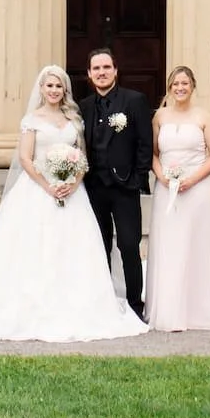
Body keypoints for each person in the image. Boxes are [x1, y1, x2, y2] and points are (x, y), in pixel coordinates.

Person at [0, 64, 147, 343]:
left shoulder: (74, 119)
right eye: (49, 85)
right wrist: (48, 185)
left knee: (74, 249)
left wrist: (73, 182)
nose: (54, 90)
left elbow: (82, 156)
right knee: (36, 247)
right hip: (38, 190)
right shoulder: (32, 120)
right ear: (41, 88)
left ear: (65, 89)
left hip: (72, 192)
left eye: (58, 86)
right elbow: (26, 158)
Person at [143, 64, 210, 332]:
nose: (180, 88)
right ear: (170, 87)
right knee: (168, 244)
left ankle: (195, 310)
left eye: (185, 84)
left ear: (192, 87)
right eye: (176, 84)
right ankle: (166, 308)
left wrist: (193, 179)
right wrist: (163, 177)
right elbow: (153, 153)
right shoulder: (160, 117)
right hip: (166, 187)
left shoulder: (203, 116)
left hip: (196, 187)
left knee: (195, 242)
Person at [80, 47, 153, 318]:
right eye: (96, 68)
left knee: (129, 245)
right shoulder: (84, 106)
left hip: (124, 188)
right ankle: (103, 304)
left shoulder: (134, 100)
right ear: (89, 74)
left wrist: (137, 178)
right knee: (99, 247)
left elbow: (145, 143)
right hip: (93, 188)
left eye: (106, 67)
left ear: (115, 71)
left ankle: (135, 304)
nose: (102, 72)